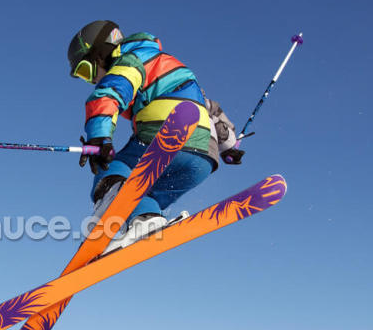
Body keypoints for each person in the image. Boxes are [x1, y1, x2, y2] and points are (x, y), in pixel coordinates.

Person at [68, 20, 244, 251]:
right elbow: (213, 110)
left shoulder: (130, 60)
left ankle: (108, 217)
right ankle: (147, 220)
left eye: (86, 70)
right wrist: (230, 146)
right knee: (145, 195)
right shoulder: (171, 67)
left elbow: (109, 93)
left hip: (167, 134)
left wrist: (99, 137)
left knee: (112, 168)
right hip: (203, 158)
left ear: (101, 53)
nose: (91, 80)